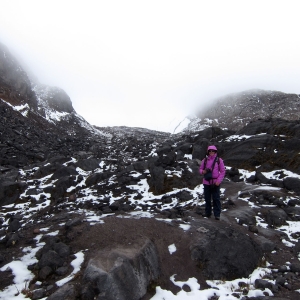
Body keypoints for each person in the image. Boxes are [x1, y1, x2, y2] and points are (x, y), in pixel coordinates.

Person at [199, 145, 225, 220]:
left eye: (213, 151)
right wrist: (202, 171)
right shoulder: (205, 160)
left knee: (216, 198)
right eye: (210, 151)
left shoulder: (219, 160)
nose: (211, 152)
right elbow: (200, 169)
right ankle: (208, 213)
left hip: (215, 182)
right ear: (208, 152)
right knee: (207, 198)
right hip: (206, 182)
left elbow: (223, 171)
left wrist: (218, 181)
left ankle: (217, 215)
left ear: (215, 151)